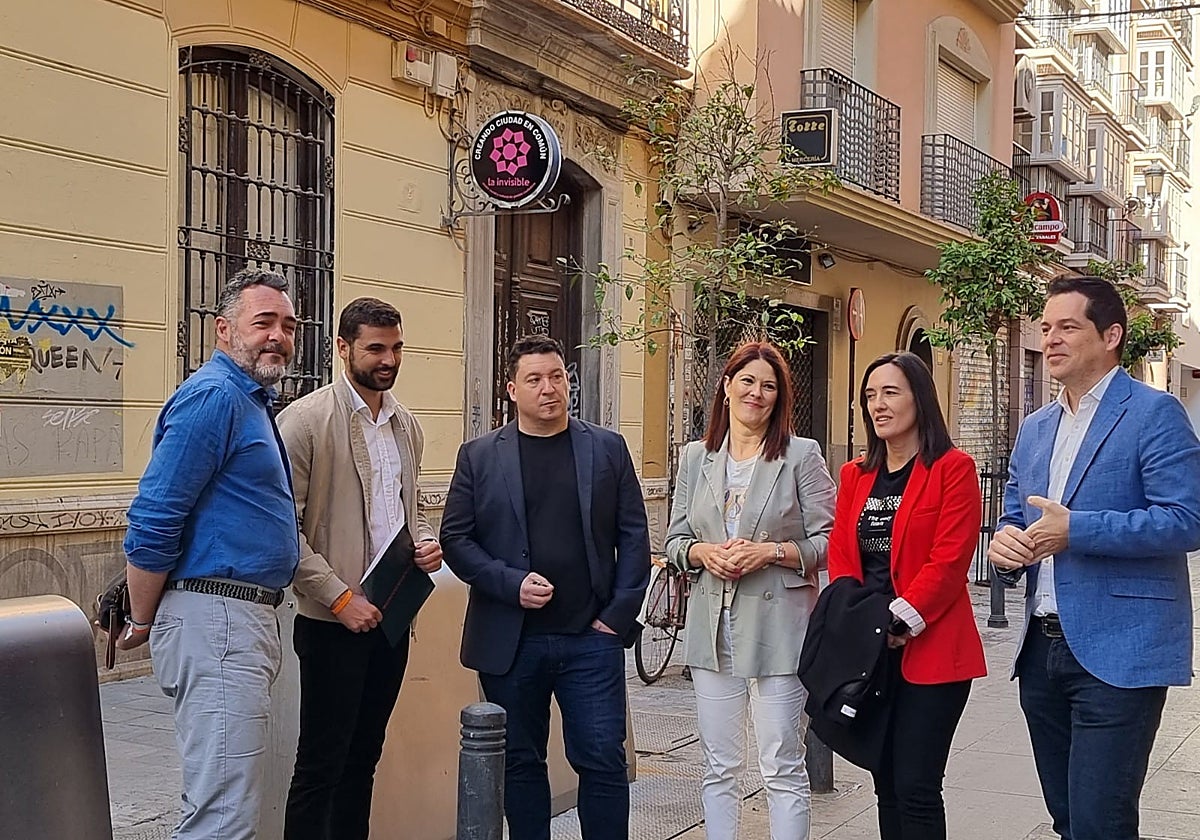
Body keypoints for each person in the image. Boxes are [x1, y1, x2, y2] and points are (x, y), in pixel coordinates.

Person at [988, 275, 1200, 840]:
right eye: (1046, 327)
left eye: (1067, 327)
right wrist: (1006, 544)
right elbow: (1015, 514)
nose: (1051, 339)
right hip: (1041, 652)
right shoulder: (1036, 427)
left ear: (1111, 335)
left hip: (1121, 650)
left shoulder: (1155, 413)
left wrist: (1076, 530)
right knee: (1067, 821)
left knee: (1099, 824)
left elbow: (1187, 519)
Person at [440, 334, 650, 840]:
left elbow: (635, 534)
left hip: (591, 638)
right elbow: (456, 538)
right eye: (535, 379)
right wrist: (509, 584)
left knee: (602, 757)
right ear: (512, 389)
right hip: (512, 641)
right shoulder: (480, 456)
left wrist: (616, 618)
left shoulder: (606, 448)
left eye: (557, 377)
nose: (549, 388)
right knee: (519, 760)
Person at [119, 267, 300, 839]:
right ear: (223, 329)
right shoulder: (214, 397)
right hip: (218, 617)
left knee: (224, 801)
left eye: (288, 325)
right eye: (263, 322)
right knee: (221, 817)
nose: (278, 335)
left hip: (240, 618)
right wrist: (140, 618)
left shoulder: (249, 401)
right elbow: (154, 517)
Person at [278, 298, 442, 840]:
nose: (388, 359)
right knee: (321, 765)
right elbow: (282, 531)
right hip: (332, 623)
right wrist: (339, 598)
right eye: (375, 348)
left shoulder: (406, 424)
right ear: (342, 348)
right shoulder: (303, 422)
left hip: (392, 618)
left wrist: (425, 543)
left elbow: (410, 508)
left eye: (396, 347)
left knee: (364, 758)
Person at [664, 340, 836, 840]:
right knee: (718, 765)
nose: (756, 393)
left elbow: (829, 541)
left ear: (780, 397)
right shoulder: (697, 457)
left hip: (779, 628)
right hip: (712, 629)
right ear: (726, 386)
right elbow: (675, 538)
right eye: (747, 382)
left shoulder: (801, 456)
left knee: (781, 764)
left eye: (768, 385)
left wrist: (772, 553)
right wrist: (702, 554)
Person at [825, 351, 985, 840]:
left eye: (891, 392)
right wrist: (866, 624)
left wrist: (900, 622)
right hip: (872, 653)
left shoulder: (953, 468)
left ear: (921, 398)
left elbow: (950, 559)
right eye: (870, 395)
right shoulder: (856, 474)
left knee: (917, 786)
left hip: (932, 651)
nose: (878, 404)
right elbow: (843, 557)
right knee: (885, 783)